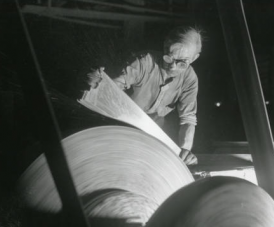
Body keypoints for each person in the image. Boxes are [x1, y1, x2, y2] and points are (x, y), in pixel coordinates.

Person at [86, 26, 202, 165]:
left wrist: (185, 151)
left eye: (182, 63)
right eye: (169, 58)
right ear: (165, 46)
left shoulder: (190, 79)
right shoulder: (144, 62)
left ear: (194, 58)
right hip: (122, 118)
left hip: (153, 125)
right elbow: (115, 86)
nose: (173, 67)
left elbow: (187, 119)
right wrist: (103, 85)